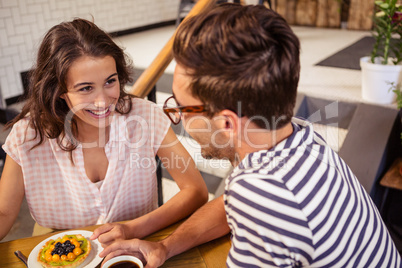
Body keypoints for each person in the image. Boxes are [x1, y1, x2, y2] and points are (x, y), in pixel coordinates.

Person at [97, 3, 402, 267]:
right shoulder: (298, 136)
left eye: (181, 108)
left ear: (227, 123)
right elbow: (230, 202)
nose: (177, 119)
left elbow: (254, 199)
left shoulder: (260, 193)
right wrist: (164, 247)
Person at [0, 18, 208, 241]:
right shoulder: (27, 136)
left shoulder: (145, 116)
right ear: (59, 90)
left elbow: (195, 191)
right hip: (55, 253)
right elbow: (3, 212)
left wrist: (134, 229)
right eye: (86, 88)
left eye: (110, 81)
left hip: (138, 243)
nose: (102, 102)